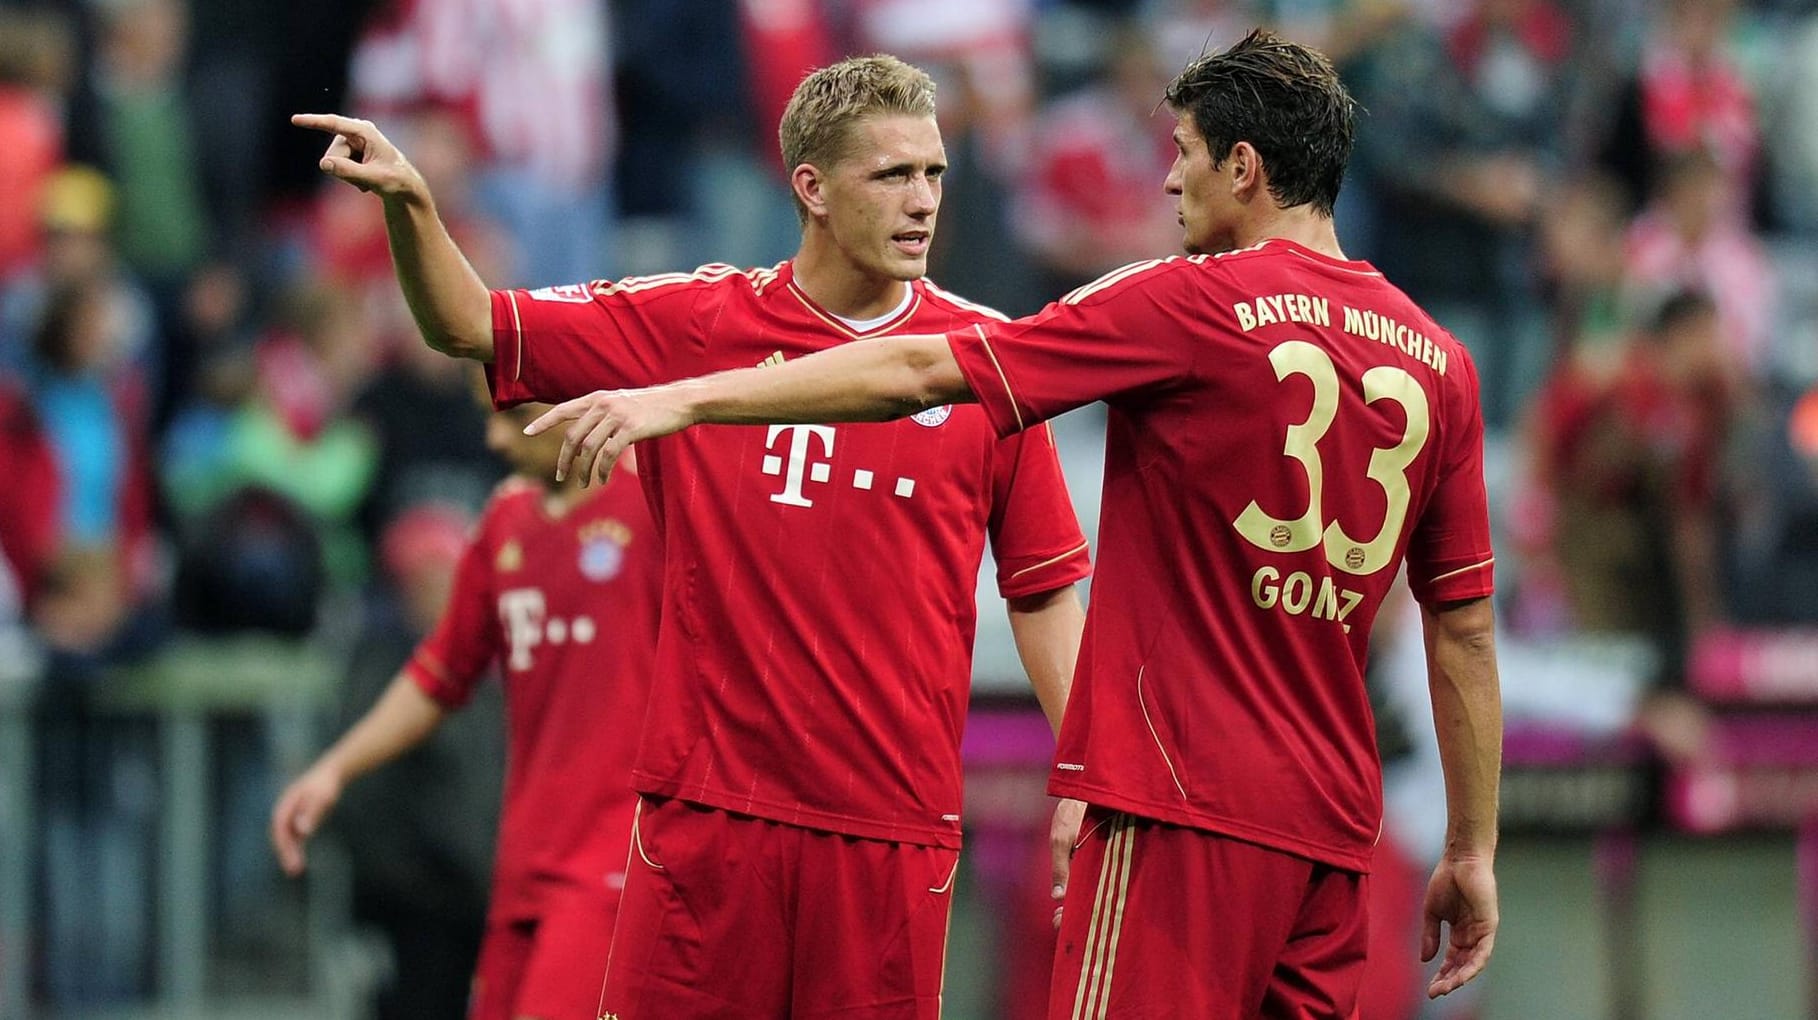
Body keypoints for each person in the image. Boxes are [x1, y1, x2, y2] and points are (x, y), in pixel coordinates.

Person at [528, 30, 1503, 1019]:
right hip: (1335, 828)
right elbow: (1462, 627)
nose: (1169, 183)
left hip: (1180, 809)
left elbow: (922, 368)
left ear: (1243, 168)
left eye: (1182, 152)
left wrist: (688, 400)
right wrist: (1472, 847)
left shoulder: (1190, 302)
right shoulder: (1443, 362)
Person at [294, 53, 1091, 1020]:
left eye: (933, 172)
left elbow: (1044, 588)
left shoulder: (984, 361)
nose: (923, 200)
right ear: (813, 188)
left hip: (890, 824)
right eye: (891, 174)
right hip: (709, 817)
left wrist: (1085, 771)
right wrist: (414, 207)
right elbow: (472, 327)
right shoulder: (693, 321)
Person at [269, 394, 663, 1020]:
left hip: (614, 861)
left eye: (513, 417)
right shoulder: (506, 521)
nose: (495, 440)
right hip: (517, 864)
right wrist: (335, 768)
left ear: (575, 402)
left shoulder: (655, 507)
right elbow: (441, 670)